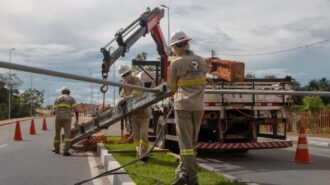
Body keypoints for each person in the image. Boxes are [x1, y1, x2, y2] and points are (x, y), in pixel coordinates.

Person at [167, 31, 208, 185]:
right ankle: (182, 173)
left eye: (172, 47)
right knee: (192, 142)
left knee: (185, 145)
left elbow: (171, 87)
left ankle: (192, 178)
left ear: (176, 46)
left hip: (183, 106)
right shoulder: (201, 61)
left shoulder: (176, 63)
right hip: (198, 107)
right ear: (186, 43)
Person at [118, 64, 152, 162]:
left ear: (131, 72)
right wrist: (121, 100)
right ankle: (139, 153)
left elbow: (135, 96)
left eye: (127, 73)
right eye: (124, 75)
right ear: (122, 76)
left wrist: (124, 99)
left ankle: (145, 156)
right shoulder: (124, 83)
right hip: (135, 114)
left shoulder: (136, 80)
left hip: (144, 113)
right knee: (136, 137)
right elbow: (122, 95)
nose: (126, 76)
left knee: (143, 134)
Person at [52, 86, 79, 156]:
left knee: (57, 134)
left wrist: (58, 113)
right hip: (67, 117)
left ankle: (56, 149)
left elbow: (53, 111)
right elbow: (76, 110)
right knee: (67, 135)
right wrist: (77, 120)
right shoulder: (71, 98)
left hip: (58, 117)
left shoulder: (57, 98)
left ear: (62, 92)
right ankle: (65, 151)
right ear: (69, 92)